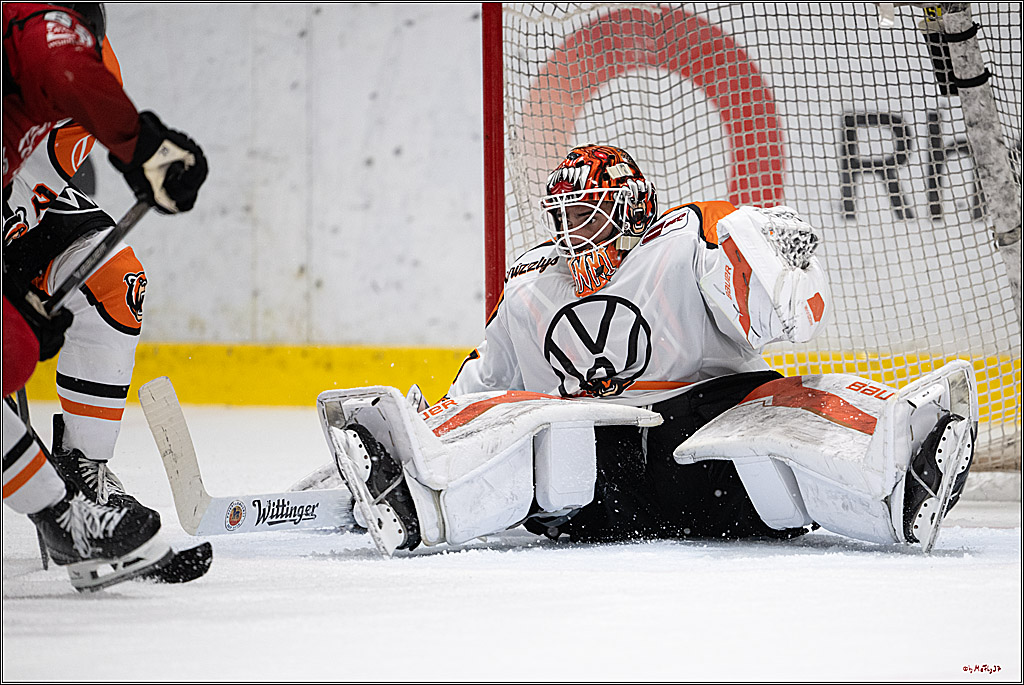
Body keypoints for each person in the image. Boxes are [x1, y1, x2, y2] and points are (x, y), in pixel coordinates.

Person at [325, 144, 976, 555]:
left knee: (790, 403)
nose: (571, 233)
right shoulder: (530, 287)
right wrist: (430, 432)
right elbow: (481, 387)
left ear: (632, 210)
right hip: (601, 491)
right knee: (528, 420)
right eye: (563, 217)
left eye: (587, 214)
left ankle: (903, 479)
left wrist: (768, 261)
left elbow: (776, 311)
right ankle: (414, 498)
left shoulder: (684, 243)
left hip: (710, 460)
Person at [2, 2, 209, 590]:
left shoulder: (73, 41)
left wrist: (139, 146)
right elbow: (54, 60)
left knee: (114, 279)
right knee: (11, 353)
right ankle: (62, 516)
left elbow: (64, 84)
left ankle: (83, 479)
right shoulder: (33, 25)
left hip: (22, 209)